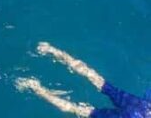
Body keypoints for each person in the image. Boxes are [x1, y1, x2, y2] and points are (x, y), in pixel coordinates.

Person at [16, 41, 151, 117]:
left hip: (141, 106)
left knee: (99, 82)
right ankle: (35, 87)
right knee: (78, 109)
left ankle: (52, 50)